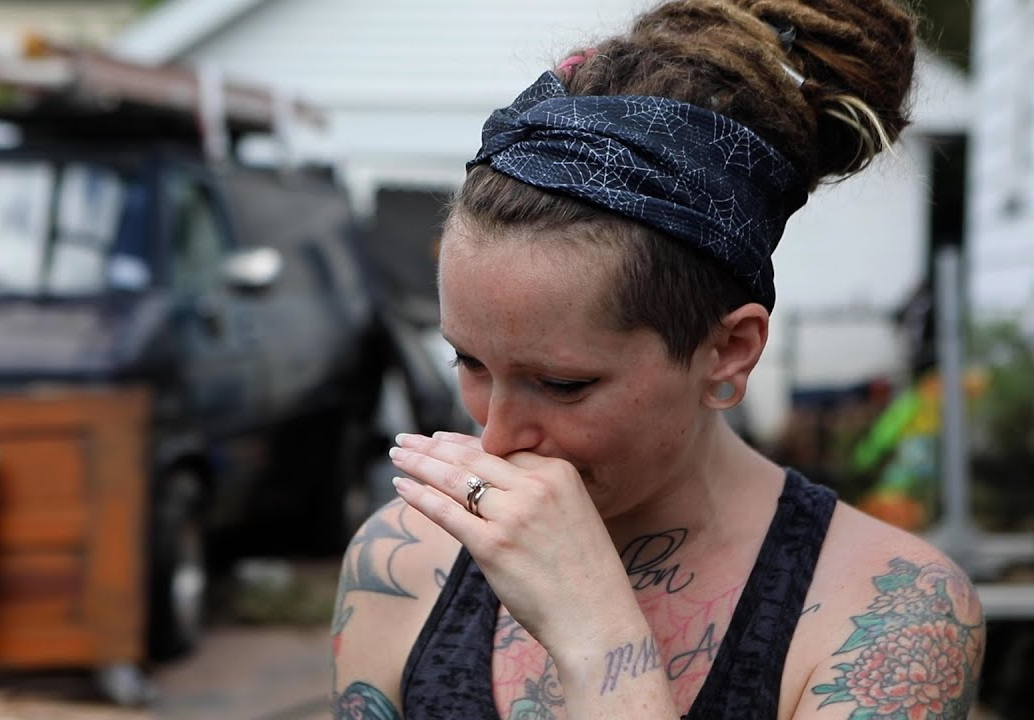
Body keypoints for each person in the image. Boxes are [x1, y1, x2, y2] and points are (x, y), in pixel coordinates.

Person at [329, 0, 986, 718]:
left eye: (562, 383)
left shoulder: (888, 613)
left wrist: (600, 641)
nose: (497, 436)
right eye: (471, 362)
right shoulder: (402, 561)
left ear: (727, 353)